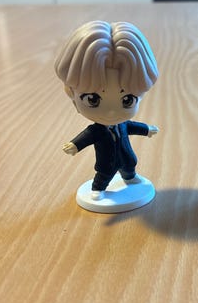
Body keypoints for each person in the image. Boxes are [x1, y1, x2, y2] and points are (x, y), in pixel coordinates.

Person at [55, 20, 158, 209]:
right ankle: (98, 189)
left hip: (126, 156)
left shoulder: (123, 124)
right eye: (93, 99)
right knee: (104, 175)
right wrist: (75, 145)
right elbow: (87, 137)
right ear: (70, 92)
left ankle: (130, 178)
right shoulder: (96, 131)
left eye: (127, 100)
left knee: (130, 166)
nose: (111, 112)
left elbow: (133, 126)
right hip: (106, 162)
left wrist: (147, 129)